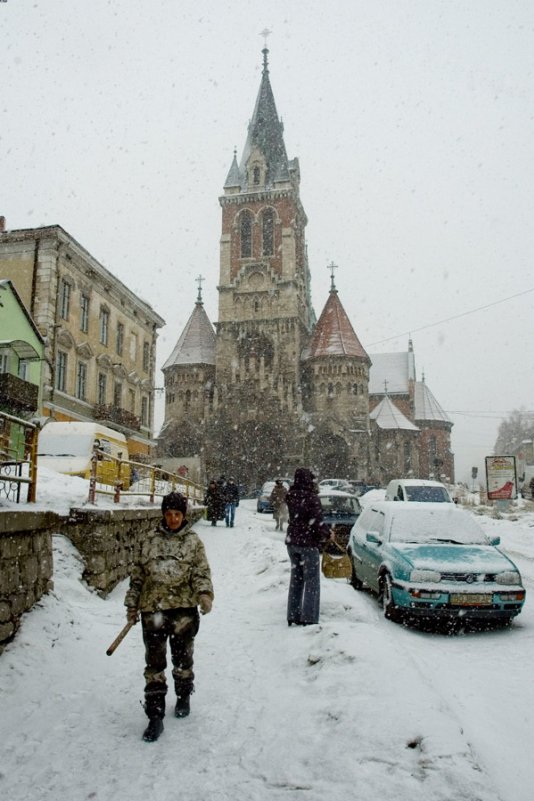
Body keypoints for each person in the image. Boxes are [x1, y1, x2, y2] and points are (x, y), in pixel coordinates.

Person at [124, 491, 214, 742]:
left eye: (177, 514)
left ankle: (183, 695)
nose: (173, 519)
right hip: (153, 609)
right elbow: (138, 576)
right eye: (169, 514)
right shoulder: (149, 540)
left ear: (183, 515)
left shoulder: (193, 542)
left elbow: (201, 572)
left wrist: (205, 594)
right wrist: (132, 605)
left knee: (183, 657)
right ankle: (155, 716)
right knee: (154, 662)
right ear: (163, 514)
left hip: (183, 610)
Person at [285, 468, 332, 626]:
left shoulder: (291, 496)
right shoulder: (312, 498)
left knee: (296, 579)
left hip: (292, 542)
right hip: (308, 544)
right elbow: (317, 522)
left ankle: (293, 614)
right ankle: (309, 618)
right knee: (312, 581)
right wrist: (327, 533)